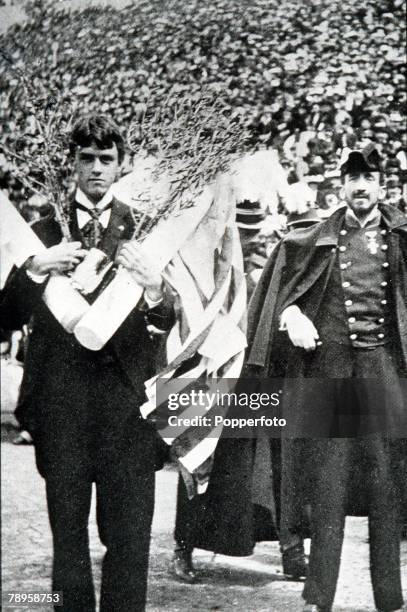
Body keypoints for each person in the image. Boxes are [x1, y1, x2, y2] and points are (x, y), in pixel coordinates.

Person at [0, 113, 174, 612]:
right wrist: (35, 271)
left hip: (128, 408)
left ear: (121, 165)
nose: (96, 168)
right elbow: (6, 318)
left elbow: (169, 312)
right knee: (69, 544)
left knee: (129, 541)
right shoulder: (43, 232)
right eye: (87, 159)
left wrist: (156, 287)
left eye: (107, 159)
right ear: (71, 164)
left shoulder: (145, 229)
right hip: (63, 406)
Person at [246, 142, 406, 612]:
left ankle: (390, 597)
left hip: (381, 373)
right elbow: (280, 293)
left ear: (382, 184)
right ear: (342, 186)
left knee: (386, 483)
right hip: (331, 371)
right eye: (353, 179)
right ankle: (320, 596)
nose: (361, 186)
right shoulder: (311, 239)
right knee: (327, 484)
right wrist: (291, 313)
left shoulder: (400, 237)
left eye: (370, 178)